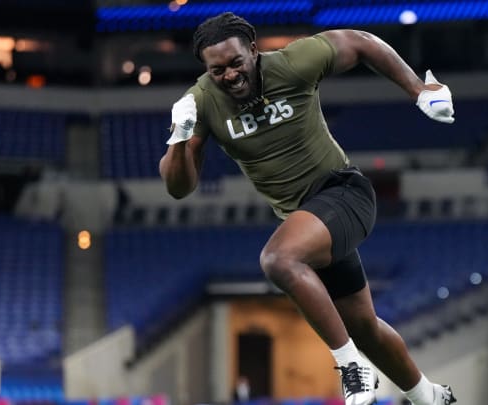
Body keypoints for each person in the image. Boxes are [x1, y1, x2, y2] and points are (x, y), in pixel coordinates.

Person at [158, 12, 457, 405]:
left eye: (236, 63)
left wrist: (418, 89)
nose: (229, 75)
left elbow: (360, 41)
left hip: (344, 193)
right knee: (363, 325)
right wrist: (179, 139)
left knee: (279, 260)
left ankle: (352, 367)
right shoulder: (201, 102)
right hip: (308, 222)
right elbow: (179, 187)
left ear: (253, 51)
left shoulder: (293, 63)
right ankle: (431, 397)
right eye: (217, 70)